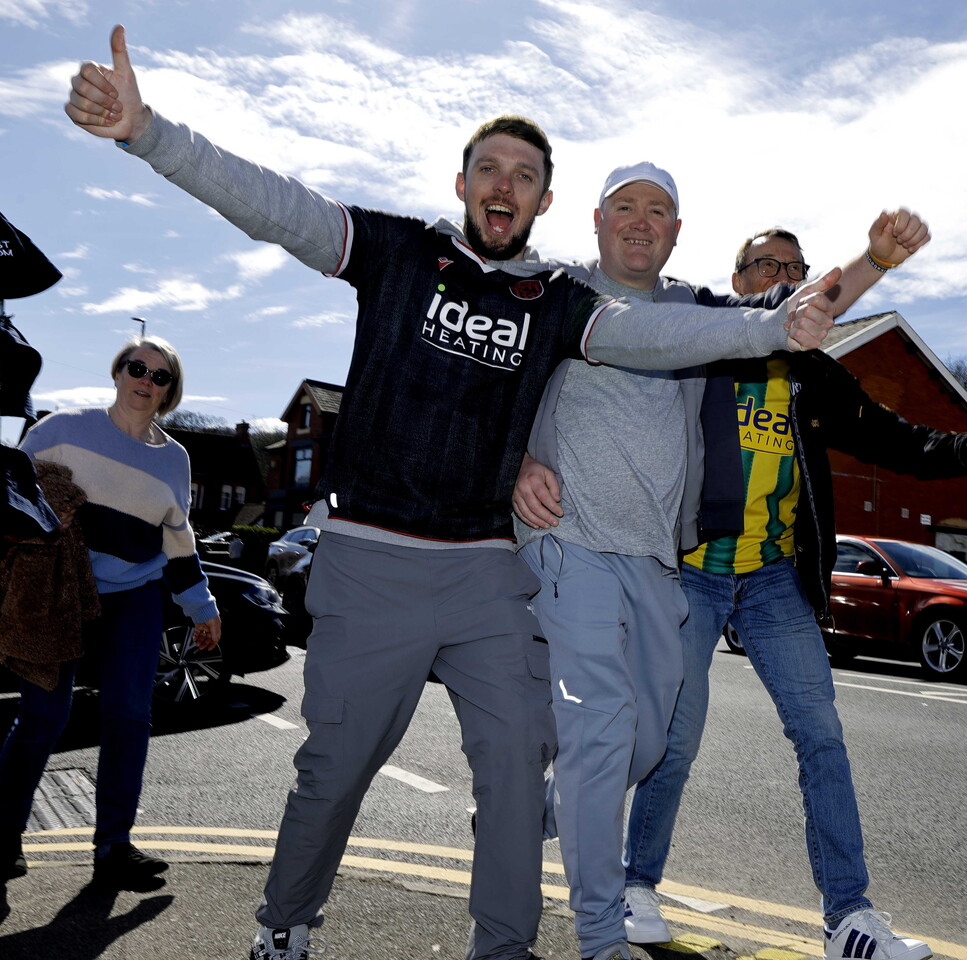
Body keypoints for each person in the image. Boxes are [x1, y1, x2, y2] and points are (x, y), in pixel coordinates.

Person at [65, 27, 841, 960]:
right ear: (463, 184)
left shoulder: (558, 301)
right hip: (372, 560)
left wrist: (769, 326)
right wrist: (149, 134)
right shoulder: (396, 255)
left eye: (523, 175)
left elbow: (653, 336)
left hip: (484, 572)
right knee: (335, 766)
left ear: (543, 200)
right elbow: (277, 207)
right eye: (489, 169)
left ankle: (502, 948)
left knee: (517, 760)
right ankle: (285, 924)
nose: (503, 186)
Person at [617, 228, 967, 960]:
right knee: (673, 739)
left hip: (776, 577)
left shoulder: (810, 372)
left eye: (794, 267)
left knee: (821, 736)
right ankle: (634, 887)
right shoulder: (701, 346)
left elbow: (892, 436)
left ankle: (848, 917)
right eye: (767, 265)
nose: (783, 277)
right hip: (691, 570)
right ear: (737, 277)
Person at [0, 336, 222, 891]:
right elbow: (10, 497)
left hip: (135, 598)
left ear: (171, 391)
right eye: (137, 367)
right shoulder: (60, 429)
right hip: (59, 596)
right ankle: (2, 840)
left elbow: (178, 537)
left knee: (129, 718)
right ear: (118, 372)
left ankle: (114, 848)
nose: (146, 380)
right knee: (43, 720)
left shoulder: (175, 458)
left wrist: (202, 607)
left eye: (161, 375)